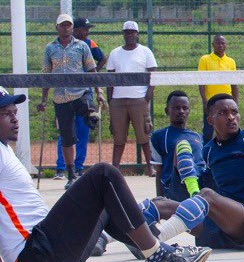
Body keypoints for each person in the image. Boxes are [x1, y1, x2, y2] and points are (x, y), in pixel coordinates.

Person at [0, 87, 208, 262]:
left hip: (49, 256)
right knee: (103, 174)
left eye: (14, 112)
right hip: (36, 258)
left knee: (105, 197)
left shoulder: (5, 150)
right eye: (5, 114)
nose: (15, 118)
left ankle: (159, 250)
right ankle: (158, 256)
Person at [141, 94, 244, 251]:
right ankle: (136, 241)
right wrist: (179, 169)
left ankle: (153, 244)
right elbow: (191, 197)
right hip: (222, 226)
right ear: (210, 120)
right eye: (223, 113)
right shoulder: (209, 151)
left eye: (234, 112)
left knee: (207, 195)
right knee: (161, 204)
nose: (231, 117)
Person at [37, 14, 103, 189]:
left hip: (80, 92)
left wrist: (99, 91)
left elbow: (92, 69)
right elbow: (46, 75)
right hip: (61, 97)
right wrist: (43, 99)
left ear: (72, 28)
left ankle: (91, 114)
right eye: (62, 25)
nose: (66, 28)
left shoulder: (82, 46)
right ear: (57, 27)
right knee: (67, 138)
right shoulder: (50, 48)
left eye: (68, 25)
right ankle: (71, 172)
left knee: (87, 107)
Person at [54, 17, 106, 180]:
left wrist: (93, 76)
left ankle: (79, 166)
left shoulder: (89, 44)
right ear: (75, 30)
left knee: (84, 129)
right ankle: (61, 167)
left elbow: (102, 58)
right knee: (66, 132)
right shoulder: (55, 47)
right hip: (64, 94)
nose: (87, 31)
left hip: (83, 91)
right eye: (85, 28)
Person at [105, 20, 158, 175]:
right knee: (118, 137)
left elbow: (153, 74)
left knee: (144, 135)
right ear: (123, 34)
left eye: (132, 32)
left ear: (137, 34)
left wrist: (148, 95)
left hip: (138, 99)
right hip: (118, 100)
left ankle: (150, 167)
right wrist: (110, 100)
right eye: (127, 32)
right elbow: (110, 79)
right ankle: (115, 169)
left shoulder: (145, 52)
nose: (129, 35)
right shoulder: (115, 53)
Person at [150, 90, 206, 201]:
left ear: (189, 111)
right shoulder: (159, 136)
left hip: (201, 185)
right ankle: (193, 188)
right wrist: (160, 199)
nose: (181, 111)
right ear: (167, 111)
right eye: (177, 108)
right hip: (176, 187)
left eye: (185, 108)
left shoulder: (197, 136)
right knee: (183, 147)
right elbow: (159, 171)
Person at [198, 35, 238, 143]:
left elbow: (234, 84)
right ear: (213, 45)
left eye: (223, 43)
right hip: (211, 102)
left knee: (229, 129)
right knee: (208, 131)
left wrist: (235, 102)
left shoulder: (231, 61)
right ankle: (206, 151)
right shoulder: (205, 59)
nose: (220, 45)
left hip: (227, 102)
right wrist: (205, 101)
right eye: (218, 43)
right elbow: (201, 83)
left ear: (226, 45)